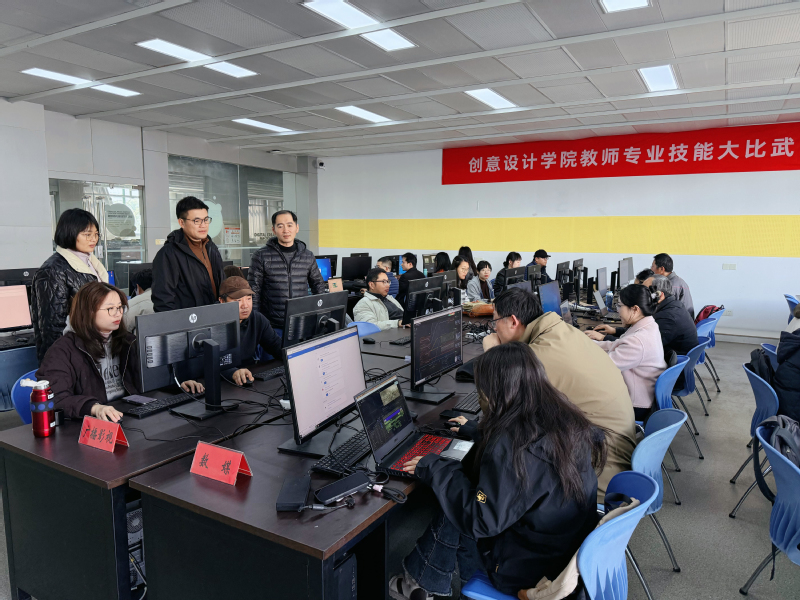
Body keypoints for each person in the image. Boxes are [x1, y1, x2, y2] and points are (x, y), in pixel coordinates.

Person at [392, 342, 605, 599]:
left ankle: (421, 582)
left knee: (455, 502)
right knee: (458, 491)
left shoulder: (511, 449)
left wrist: (436, 466)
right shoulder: (564, 417)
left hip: (530, 571)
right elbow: (532, 452)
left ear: (495, 396)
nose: (480, 399)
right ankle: (422, 580)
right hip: (562, 549)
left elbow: (480, 519)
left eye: (481, 392)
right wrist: (480, 431)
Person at [482, 287, 635, 500]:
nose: (493, 329)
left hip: (598, 474)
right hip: (612, 452)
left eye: (495, 322)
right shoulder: (565, 332)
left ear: (513, 321)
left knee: (500, 457)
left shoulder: (538, 356)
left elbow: (496, 412)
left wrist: (492, 355)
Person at [36, 282, 203, 421]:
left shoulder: (127, 341)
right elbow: (55, 397)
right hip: (90, 423)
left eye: (120, 307)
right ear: (88, 312)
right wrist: (94, 407)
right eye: (110, 309)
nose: (118, 314)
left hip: (126, 414)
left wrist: (177, 384)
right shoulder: (63, 350)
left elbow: (150, 376)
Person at [31, 209, 109, 362]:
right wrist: (62, 363)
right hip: (71, 355)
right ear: (70, 233)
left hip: (93, 346)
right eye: (87, 234)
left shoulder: (91, 262)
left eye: (96, 234)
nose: (93, 239)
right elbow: (53, 327)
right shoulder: (52, 270)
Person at [585, 285, 667, 421]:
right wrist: (586, 343)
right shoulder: (648, 325)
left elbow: (602, 367)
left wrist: (577, 354)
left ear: (635, 309)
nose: (617, 311)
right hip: (643, 394)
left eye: (619, 306)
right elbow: (616, 345)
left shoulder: (637, 341)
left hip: (636, 406)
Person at [247, 210, 325, 335]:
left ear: (297, 228)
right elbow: (253, 292)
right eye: (280, 226)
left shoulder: (307, 256)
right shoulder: (261, 256)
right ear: (273, 230)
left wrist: (320, 314)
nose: (285, 230)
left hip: (301, 323)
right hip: (272, 326)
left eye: (289, 225)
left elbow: (318, 286)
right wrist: (257, 324)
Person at [594, 275, 698, 357]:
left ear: (660, 295)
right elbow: (636, 334)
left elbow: (635, 346)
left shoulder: (667, 318)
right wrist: (615, 331)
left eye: (646, 291)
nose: (642, 294)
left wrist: (604, 338)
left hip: (672, 363)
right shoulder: (672, 304)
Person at [152, 196, 224, 313]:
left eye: (206, 219)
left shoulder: (211, 247)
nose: (203, 225)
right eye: (197, 221)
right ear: (182, 222)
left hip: (215, 316)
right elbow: (163, 301)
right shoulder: (168, 254)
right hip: (189, 320)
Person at [217, 277, 282, 386]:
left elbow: (276, 345)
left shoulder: (257, 319)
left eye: (248, 298)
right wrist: (232, 372)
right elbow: (208, 362)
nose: (245, 305)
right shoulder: (212, 323)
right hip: (220, 382)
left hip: (249, 376)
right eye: (238, 300)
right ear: (222, 301)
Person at [651, 253, 694, 318]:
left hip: (678, 321)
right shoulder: (679, 281)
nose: (651, 269)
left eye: (652, 266)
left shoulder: (669, 286)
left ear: (662, 269)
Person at [123, 269, 154, 334]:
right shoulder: (169, 296)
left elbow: (124, 327)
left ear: (138, 287)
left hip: (143, 339)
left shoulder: (135, 303)